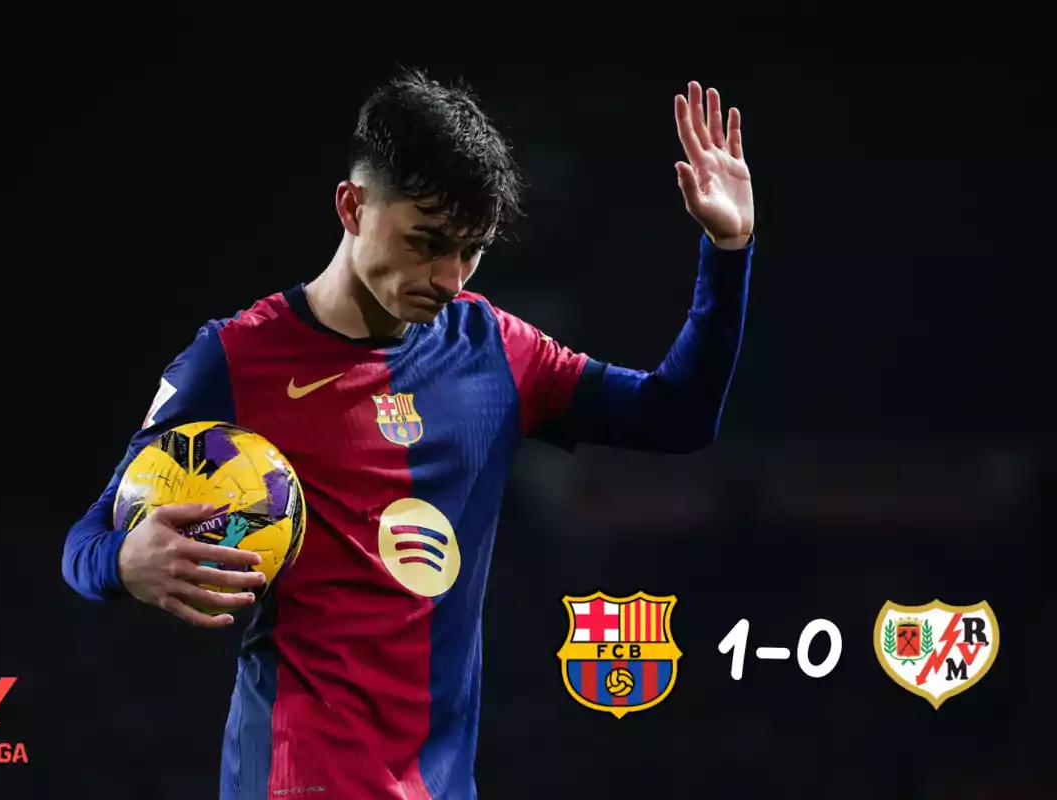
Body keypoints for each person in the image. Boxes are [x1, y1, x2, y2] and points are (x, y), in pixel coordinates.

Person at [62, 68, 755, 799]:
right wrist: (122, 560)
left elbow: (676, 417)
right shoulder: (235, 360)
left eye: (473, 250)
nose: (451, 276)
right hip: (298, 778)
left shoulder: (494, 350)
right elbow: (86, 538)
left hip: (441, 784)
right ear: (352, 206)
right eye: (428, 242)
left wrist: (729, 251)